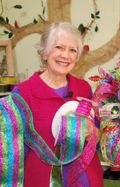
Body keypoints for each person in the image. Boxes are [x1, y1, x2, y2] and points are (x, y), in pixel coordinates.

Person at [12, 21, 104, 187]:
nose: (65, 55)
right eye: (59, 47)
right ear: (45, 53)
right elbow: (12, 151)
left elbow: (97, 135)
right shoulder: (23, 93)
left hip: (86, 180)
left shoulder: (83, 88)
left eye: (72, 50)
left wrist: (92, 132)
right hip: (41, 181)